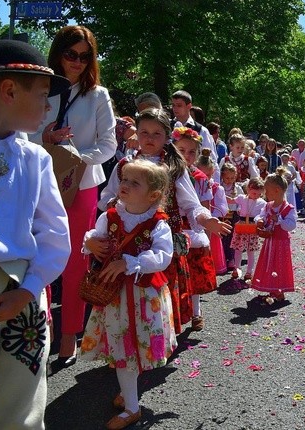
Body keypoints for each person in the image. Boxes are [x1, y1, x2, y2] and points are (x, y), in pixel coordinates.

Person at [0, 39, 71, 430]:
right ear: (8, 91)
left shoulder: (36, 158)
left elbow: (55, 232)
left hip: (23, 292)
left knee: (22, 405)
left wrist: (30, 287)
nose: (47, 107)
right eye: (41, 95)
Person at [98, 108, 230, 333]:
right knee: (131, 290)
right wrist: (115, 206)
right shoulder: (124, 166)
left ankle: (157, 340)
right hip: (130, 237)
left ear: (167, 136)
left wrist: (207, 220)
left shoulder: (173, 167)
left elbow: (190, 203)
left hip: (161, 238)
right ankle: (133, 337)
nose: (149, 138)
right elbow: (108, 196)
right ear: (136, 134)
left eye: (156, 133)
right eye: (144, 132)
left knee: (158, 291)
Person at [34, 26, 117, 367]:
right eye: (71, 55)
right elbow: (23, 133)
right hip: (40, 181)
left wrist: (76, 157)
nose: (78, 63)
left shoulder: (98, 95)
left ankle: (69, 336)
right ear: (58, 53)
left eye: (85, 56)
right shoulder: (39, 89)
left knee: (74, 261)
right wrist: (46, 139)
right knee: (39, 256)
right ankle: (43, 330)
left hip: (81, 184)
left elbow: (109, 143)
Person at [80, 159, 176, 429]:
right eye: (124, 179)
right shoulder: (110, 215)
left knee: (134, 347)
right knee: (124, 346)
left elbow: (163, 257)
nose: (125, 185)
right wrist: (90, 242)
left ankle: (130, 400)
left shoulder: (158, 224)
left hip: (143, 297)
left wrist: (131, 263)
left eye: (135, 182)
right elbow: (95, 236)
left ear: (153, 195)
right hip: (114, 296)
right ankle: (131, 401)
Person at [173, 127, 217, 332]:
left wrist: (205, 229)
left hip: (193, 225)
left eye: (192, 152)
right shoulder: (169, 171)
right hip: (172, 225)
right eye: (182, 150)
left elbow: (204, 205)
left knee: (194, 271)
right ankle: (177, 312)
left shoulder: (200, 177)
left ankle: (197, 312)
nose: (187, 156)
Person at [252, 170, 297, 305]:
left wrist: (280, 220)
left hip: (281, 243)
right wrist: (259, 220)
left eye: (267, 190)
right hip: (270, 241)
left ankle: (279, 290)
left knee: (279, 265)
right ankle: (270, 287)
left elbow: (291, 225)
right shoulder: (268, 206)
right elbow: (260, 215)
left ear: (277, 190)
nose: (265, 194)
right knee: (269, 264)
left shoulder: (288, 208)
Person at [170, 90, 219, 182]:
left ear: (189, 106)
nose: (175, 108)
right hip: (171, 176)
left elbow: (212, 160)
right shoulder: (167, 127)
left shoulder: (201, 130)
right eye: (173, 105)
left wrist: (213, 186)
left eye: (179, 105)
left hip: (195, 179)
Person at [197, 148, 228, 276]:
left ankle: (209, 273)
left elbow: (223, 209)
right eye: (202, 174)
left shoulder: (216, 188)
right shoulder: (193, 185)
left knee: (211, 248)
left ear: (213, 172)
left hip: (211, 224)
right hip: (196, 222)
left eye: (208, 175)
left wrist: (212, 216)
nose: (205, 178)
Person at [230, 177, 266, 283]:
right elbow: (231, 200)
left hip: (252, 227)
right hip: (241, 226)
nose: (256, 196)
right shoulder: (242, 198)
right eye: (254, 193)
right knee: (238, 249)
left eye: (259, 194)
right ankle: (237, 268)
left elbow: (263, 214)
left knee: (251, 251)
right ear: (249, 189)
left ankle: (249, 271)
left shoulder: (262, 202)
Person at [220, 163, 244, 273]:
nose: (229, 180)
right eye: (227, 178)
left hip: (234, 214)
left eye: (231, 178)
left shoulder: (237, 188)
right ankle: (222, 257)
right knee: (223, 237)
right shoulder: (220, 187)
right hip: (222, 215)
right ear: (222, 176)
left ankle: (232, 258)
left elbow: (242, 200)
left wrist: (239, 208)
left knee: (232, 237)